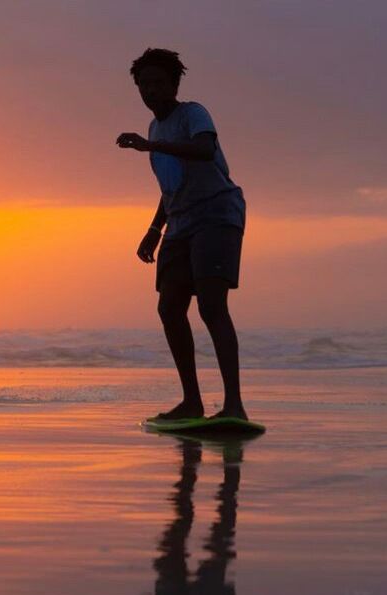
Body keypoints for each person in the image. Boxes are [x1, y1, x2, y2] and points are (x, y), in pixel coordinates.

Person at [117, 48, 248, 421]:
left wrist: (151, 146)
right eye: (144, 85)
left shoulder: (192, 114)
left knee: (210, 305)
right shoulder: (155, 129)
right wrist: (154, 229)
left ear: (174, 85)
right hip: (180, 222)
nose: (151, 91)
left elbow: (204, 151)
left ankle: (234, 406)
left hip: (217, 215)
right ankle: (191, 401)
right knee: (169, 307)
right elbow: (171, 186)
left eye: (159, 83)